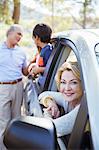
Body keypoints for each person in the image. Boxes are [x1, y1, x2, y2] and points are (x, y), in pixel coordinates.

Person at [0, 24, 29, 149]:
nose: (20, 37)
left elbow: (25, 72)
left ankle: (15, 147)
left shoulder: (22, 52)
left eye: (21, 35)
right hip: (3, 88)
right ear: (10, 33)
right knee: (4, 121)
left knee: (16, 119)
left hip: (18, 86)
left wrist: (34, 65)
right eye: (19, 34)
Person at [39, 61, 83, 138]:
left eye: (74, 83)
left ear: (83, 85)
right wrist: (51, 103)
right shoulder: (68, 99)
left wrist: (47, 114)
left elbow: (49, 131)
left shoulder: (83, 109)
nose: (67, 88)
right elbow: (43, 95)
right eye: (63, 82)